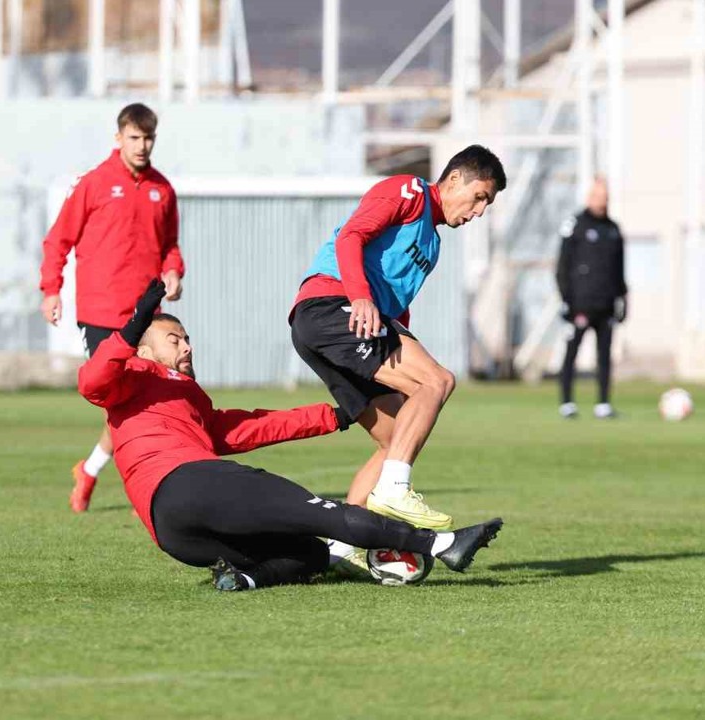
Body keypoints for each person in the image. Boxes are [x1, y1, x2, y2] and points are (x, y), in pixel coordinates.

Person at [79, 280, 505, 591]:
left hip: (175, 534)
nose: (187, 347)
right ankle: (441, 544)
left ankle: (244, 579)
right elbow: (93, 382)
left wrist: (335, 415)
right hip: (189, 481)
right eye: (174, 340)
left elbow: (249, 427)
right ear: (146, 351)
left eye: (188, 339)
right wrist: (133, 328)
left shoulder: (189, 398)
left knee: (311, 554)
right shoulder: (131, 374)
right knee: (323, 515)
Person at [289, 145, 506, 534]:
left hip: (348, 324)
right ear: (454, 178)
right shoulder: (408, 191)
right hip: (332, 305)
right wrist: (358, 296)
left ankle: (343, 543)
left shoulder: (432, 244)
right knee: (437, 380)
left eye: (486, 205)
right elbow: (351, 236)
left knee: (397, 438)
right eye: (479, 198)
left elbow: (395, 310)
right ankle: (395, 489)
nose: (478, 212)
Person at [40, 103, 184, 513]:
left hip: (149, 313)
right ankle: (106, 473)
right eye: (134, 137)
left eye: (148, 138)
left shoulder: (163, 189)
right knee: (122, 401)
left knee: (154, 397)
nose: (142, 146)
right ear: (118, 138)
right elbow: (58, 241)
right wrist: (51, 290)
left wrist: (173, 271)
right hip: (102, 313)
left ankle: (93, 470)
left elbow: (169, 245)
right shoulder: (94, 183)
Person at [555, 177, 628, 420]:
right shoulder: (575, 225)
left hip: (606, 304)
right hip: (580, 304)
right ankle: (567, 402)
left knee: (605, 356)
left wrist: (623, 297)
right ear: (589, 198)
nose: (602, 202)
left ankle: (603, 403)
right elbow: (562, 266)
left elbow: (619, 269)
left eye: (605, 198)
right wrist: (566, 298)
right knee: (572, 352)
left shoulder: (613, 229)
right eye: (598, 197)